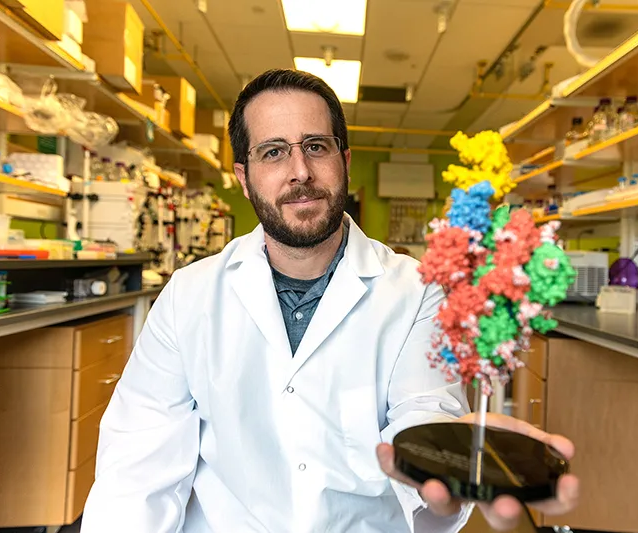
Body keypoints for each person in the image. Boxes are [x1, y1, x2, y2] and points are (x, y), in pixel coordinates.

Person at [81, 69, 579, 533]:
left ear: (343, 160)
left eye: (315, 146)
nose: (299, 171)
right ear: (243, 176)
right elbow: (136, 467)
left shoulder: (417, 287)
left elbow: (423, 412)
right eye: (273, 152)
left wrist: (441, 463)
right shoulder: (189, 295)